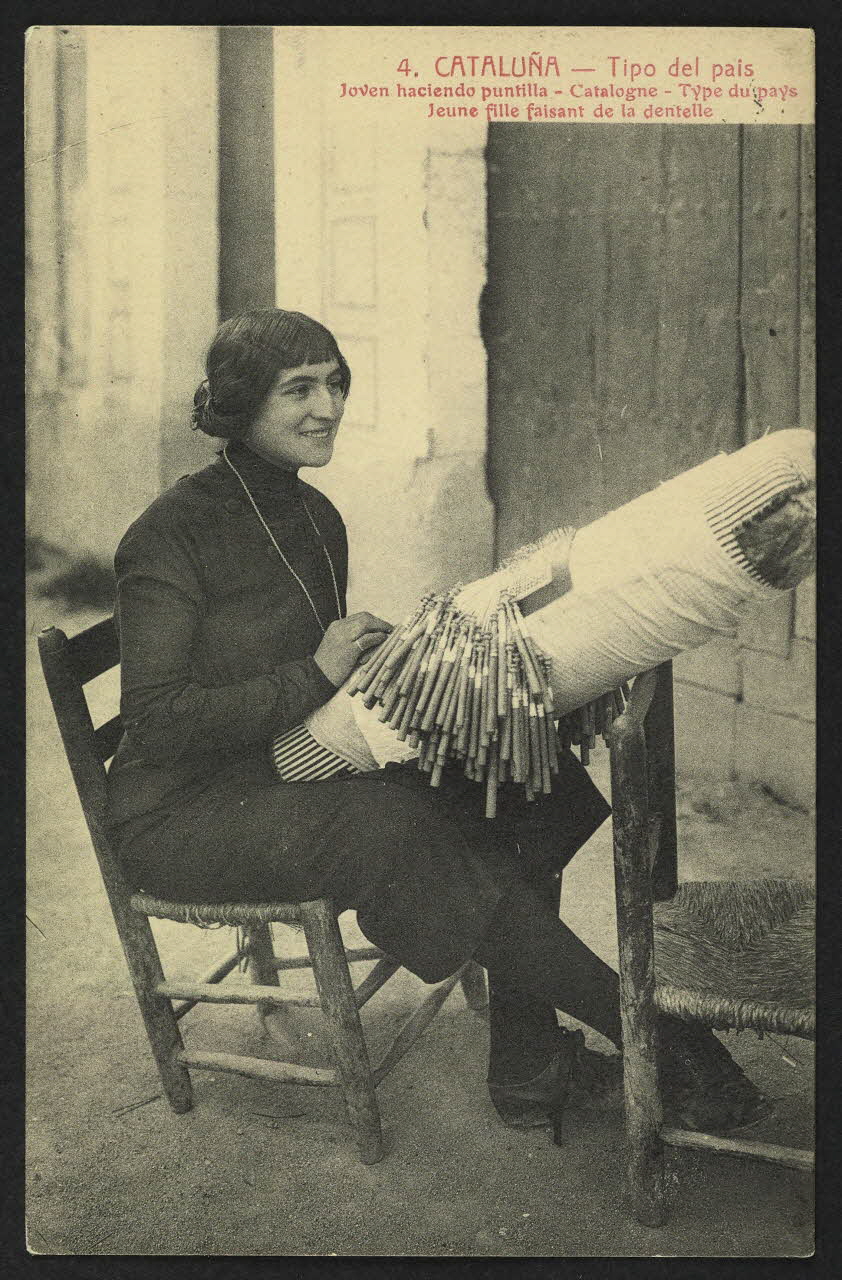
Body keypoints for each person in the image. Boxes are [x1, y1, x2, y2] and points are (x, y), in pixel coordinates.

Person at [108, 308, 767, 1135]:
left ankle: (529, 1065)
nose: (328, 407)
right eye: (299, 390)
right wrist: (318, 671)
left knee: (519, 772)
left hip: (282, 763)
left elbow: (317, 682)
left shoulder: (315, 516)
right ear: (240, 403)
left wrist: (408, 666)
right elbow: (156, 720)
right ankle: (656, 1035)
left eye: (335, 383)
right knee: (394, 828)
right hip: (184, 815)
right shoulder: (168, 534)